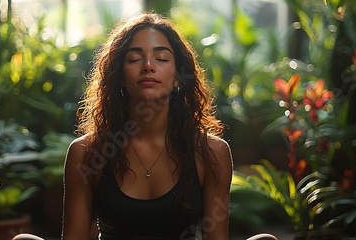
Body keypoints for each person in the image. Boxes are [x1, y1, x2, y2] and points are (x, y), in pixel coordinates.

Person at [61, 13, 233, 240]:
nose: (148, 66)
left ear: (178, 78)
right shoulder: (86, 153)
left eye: (161, 58)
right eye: (134, 59)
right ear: (120, 76)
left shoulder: (211, 153)